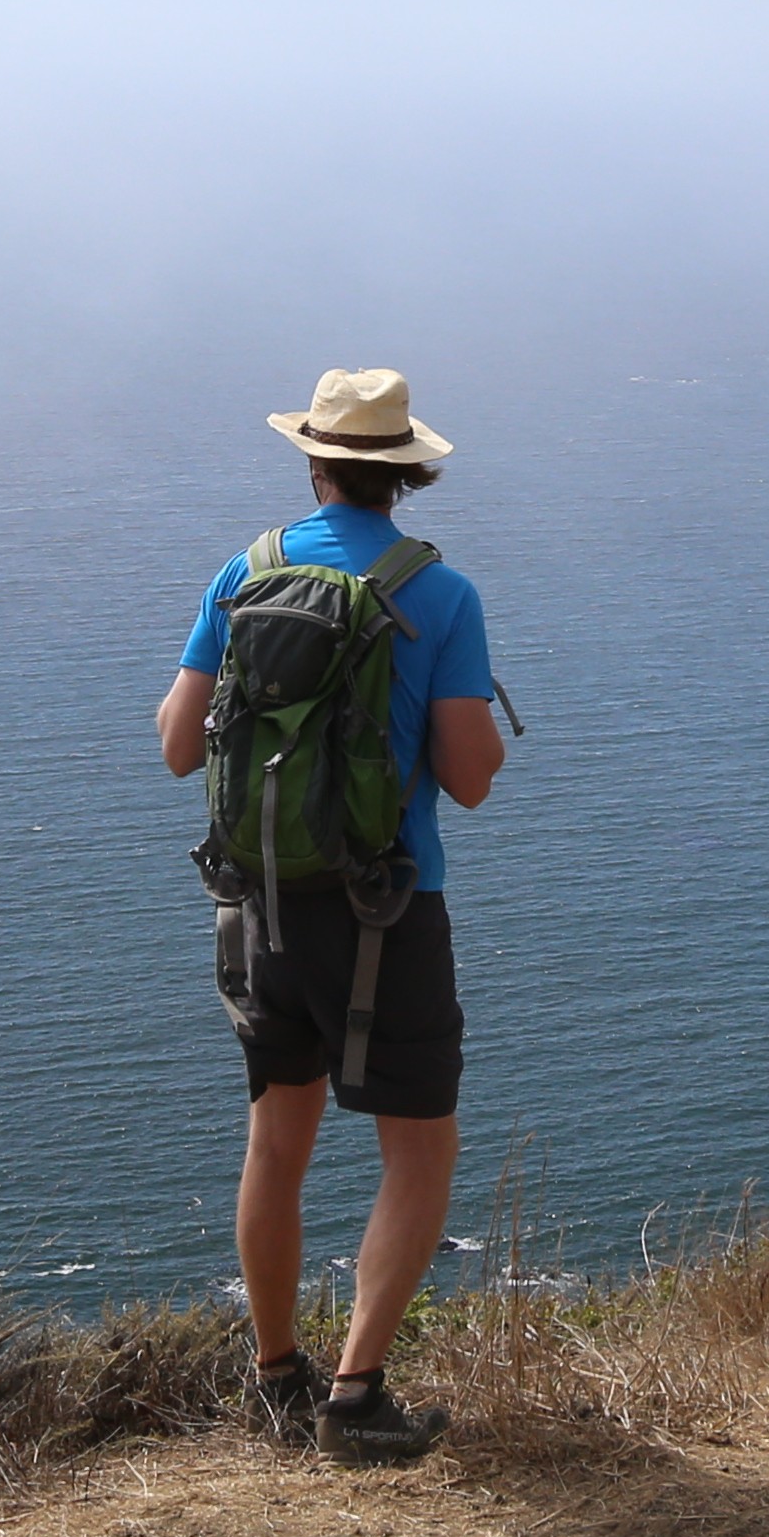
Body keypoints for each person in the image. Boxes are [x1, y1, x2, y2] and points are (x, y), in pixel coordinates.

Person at [156, 366, 506, 1467]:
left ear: (312, 461)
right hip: (387, 907)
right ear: (407, 473)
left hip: (261, 903)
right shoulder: (437, 594)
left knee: (278, 1141)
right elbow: (470, 777)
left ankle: (275, 1377)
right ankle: (355, 1398)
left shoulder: (247, 569)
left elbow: (176, 745)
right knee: (418, 1152)